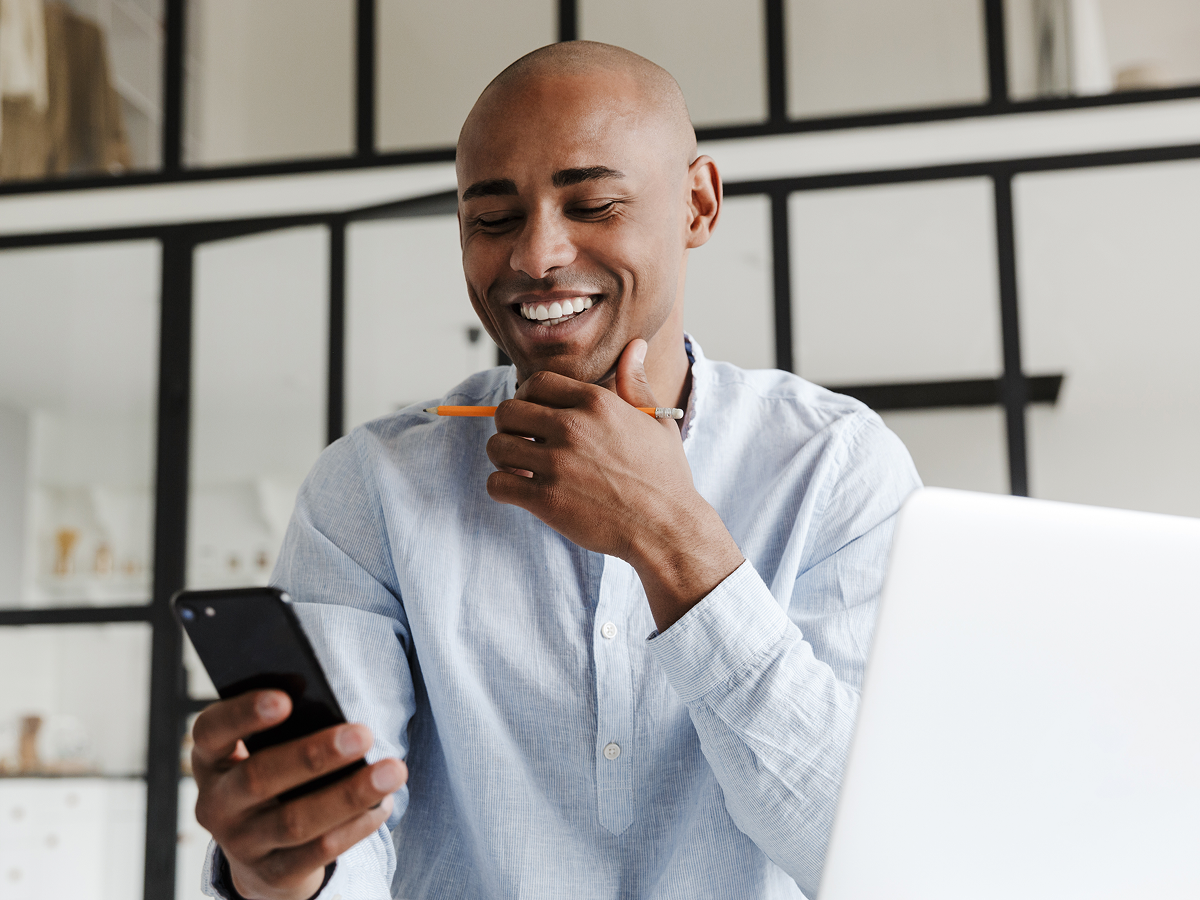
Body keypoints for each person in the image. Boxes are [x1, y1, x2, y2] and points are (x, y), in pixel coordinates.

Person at [192, 41, 920, 900]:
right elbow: (345, 841)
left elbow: (877, 857)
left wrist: (673, 539)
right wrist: (281, 872)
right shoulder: (370, 490)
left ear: (698, 203)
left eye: (596, 204)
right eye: (492, 220)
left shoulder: (836, 467)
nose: (536, 255)